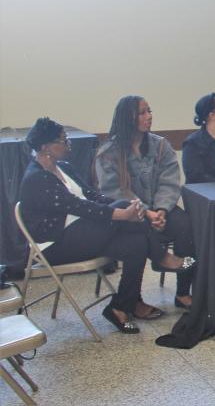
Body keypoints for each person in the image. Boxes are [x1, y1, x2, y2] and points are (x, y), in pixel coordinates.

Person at [19, 118, 190, 334]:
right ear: (45, 147)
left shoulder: (64, 168)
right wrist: (123, 213)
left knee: (136, 244)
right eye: (63, 140)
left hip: (82, 233)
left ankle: (119, 307)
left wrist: (131, 210)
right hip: (55, 245)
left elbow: (92, 197)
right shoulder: (37, 178)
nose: (68, 143)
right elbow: (79, 207)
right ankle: (163, 257)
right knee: (124, 208)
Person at [97, 96, 196, 310]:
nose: (149, 116)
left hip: (161, 209)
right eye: (142, 113)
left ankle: (182, 293)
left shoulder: (160, 145)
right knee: (138, 237)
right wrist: (146, 212)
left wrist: (160, 209)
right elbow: (115, 192)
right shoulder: (109, 153)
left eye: (149, 111)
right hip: (130, 215)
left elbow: (169, 181)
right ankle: (136, 299)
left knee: (186, 225)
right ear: (127, 118)